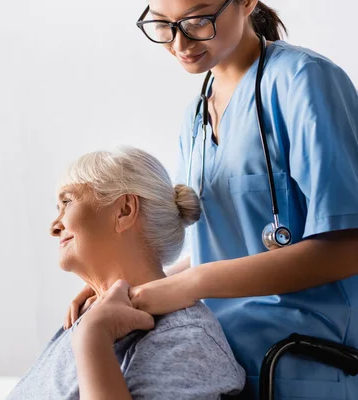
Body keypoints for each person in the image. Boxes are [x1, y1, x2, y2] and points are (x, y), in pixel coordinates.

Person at [65, 1, 358, 398]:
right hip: (218, 365)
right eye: (163, 26)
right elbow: (223, 246)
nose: (180, 42)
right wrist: (126, 287)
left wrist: (192, 284)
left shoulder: (304, 82)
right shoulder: (196, 118)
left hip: (303, 363)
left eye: (199, 20)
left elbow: (348, 247)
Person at [7, 147, 245, 399]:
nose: (54, 227)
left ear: (124, 211)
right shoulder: (87, 316)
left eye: (67, 202)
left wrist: (92, 338)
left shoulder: (183, 339)